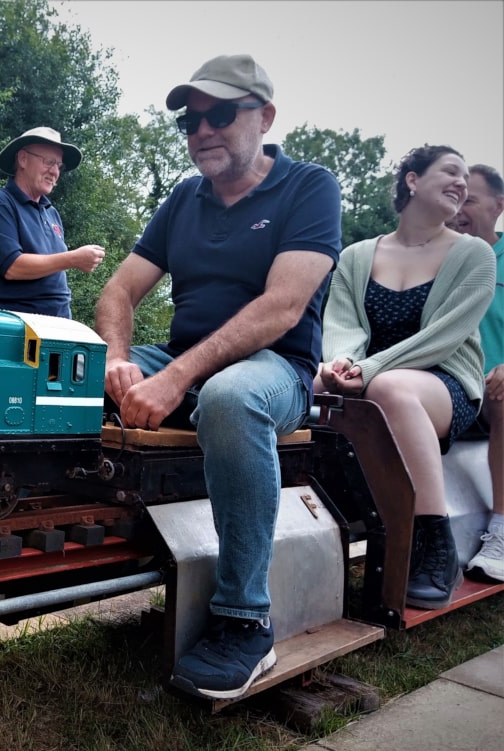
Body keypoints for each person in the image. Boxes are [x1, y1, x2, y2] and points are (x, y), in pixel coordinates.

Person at [94, 54, 342, 700]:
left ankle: (243, 621)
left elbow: (284, 307)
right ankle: (51, 557)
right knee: (73, 370)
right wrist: (118, 359)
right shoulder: (184, 199)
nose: (201, 130)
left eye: (220, 114)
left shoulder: (309, 188)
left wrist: (176, 378)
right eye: (190, 119)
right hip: (178, 360)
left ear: (265, 116)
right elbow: (118, 293)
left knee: (229, 398)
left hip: (274, 372)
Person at [317, 146, 496, 609]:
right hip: (366, 380)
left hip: (442, 383)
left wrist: (370, 369)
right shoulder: (357, 255)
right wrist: (339, 364)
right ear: (413, 180)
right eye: (450, 172)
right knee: (312, 384)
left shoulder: (474, 255)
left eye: (466, 178)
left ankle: (435, 546)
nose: (461, 183)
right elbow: (342, 324)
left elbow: (445, 336)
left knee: (392, 388)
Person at [0, 126, 105, 318]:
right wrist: (74, 258)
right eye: (49, 162)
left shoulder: (52, 214)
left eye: (58, 166)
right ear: (23, 159)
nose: (54, 172)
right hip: (11, 326)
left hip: (56, 327)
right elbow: (12, 267)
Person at [449, 164, 504, 581]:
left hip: (492, 393)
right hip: (445, 390)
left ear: (499, 206)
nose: (458, 207)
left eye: (470, 198)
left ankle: (502, 533)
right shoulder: (435, 258)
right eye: (454, 197)